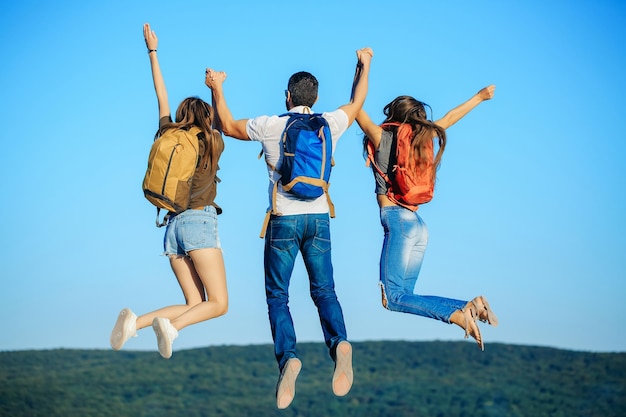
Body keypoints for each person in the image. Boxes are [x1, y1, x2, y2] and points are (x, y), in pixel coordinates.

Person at [204, 48, 373, 409]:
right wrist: (364, 64)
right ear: (315, 99)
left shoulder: (271, 125)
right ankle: (339, 342)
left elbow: (227, 124)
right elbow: (358, 100)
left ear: (287, 96)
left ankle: (289, 359)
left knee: (278, 297)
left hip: (283, 220)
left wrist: (216, 87)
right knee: (324, 291)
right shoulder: (330, 122)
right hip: (319, 218)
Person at [109, 23, 228, 359]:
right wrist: (216, 87)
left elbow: (160, 94)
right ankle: (171, 329)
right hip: (199, 224)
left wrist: (152, 51)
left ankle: (135, 324)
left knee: (195, 303)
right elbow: (223, 119)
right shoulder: (210, 139)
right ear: (206, 118)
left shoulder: (166, 132)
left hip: (171, 229)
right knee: (218, 304)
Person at [355, 86, 498, 351]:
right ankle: (468, 306)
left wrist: (361, 67)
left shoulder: (382, 136)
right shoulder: (424, 137)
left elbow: (355, 107)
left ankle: (455, 316)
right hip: (418, 226)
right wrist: (479, 97)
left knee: (393, 298)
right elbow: (451, 118)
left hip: (397, 221)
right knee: (405, 296)